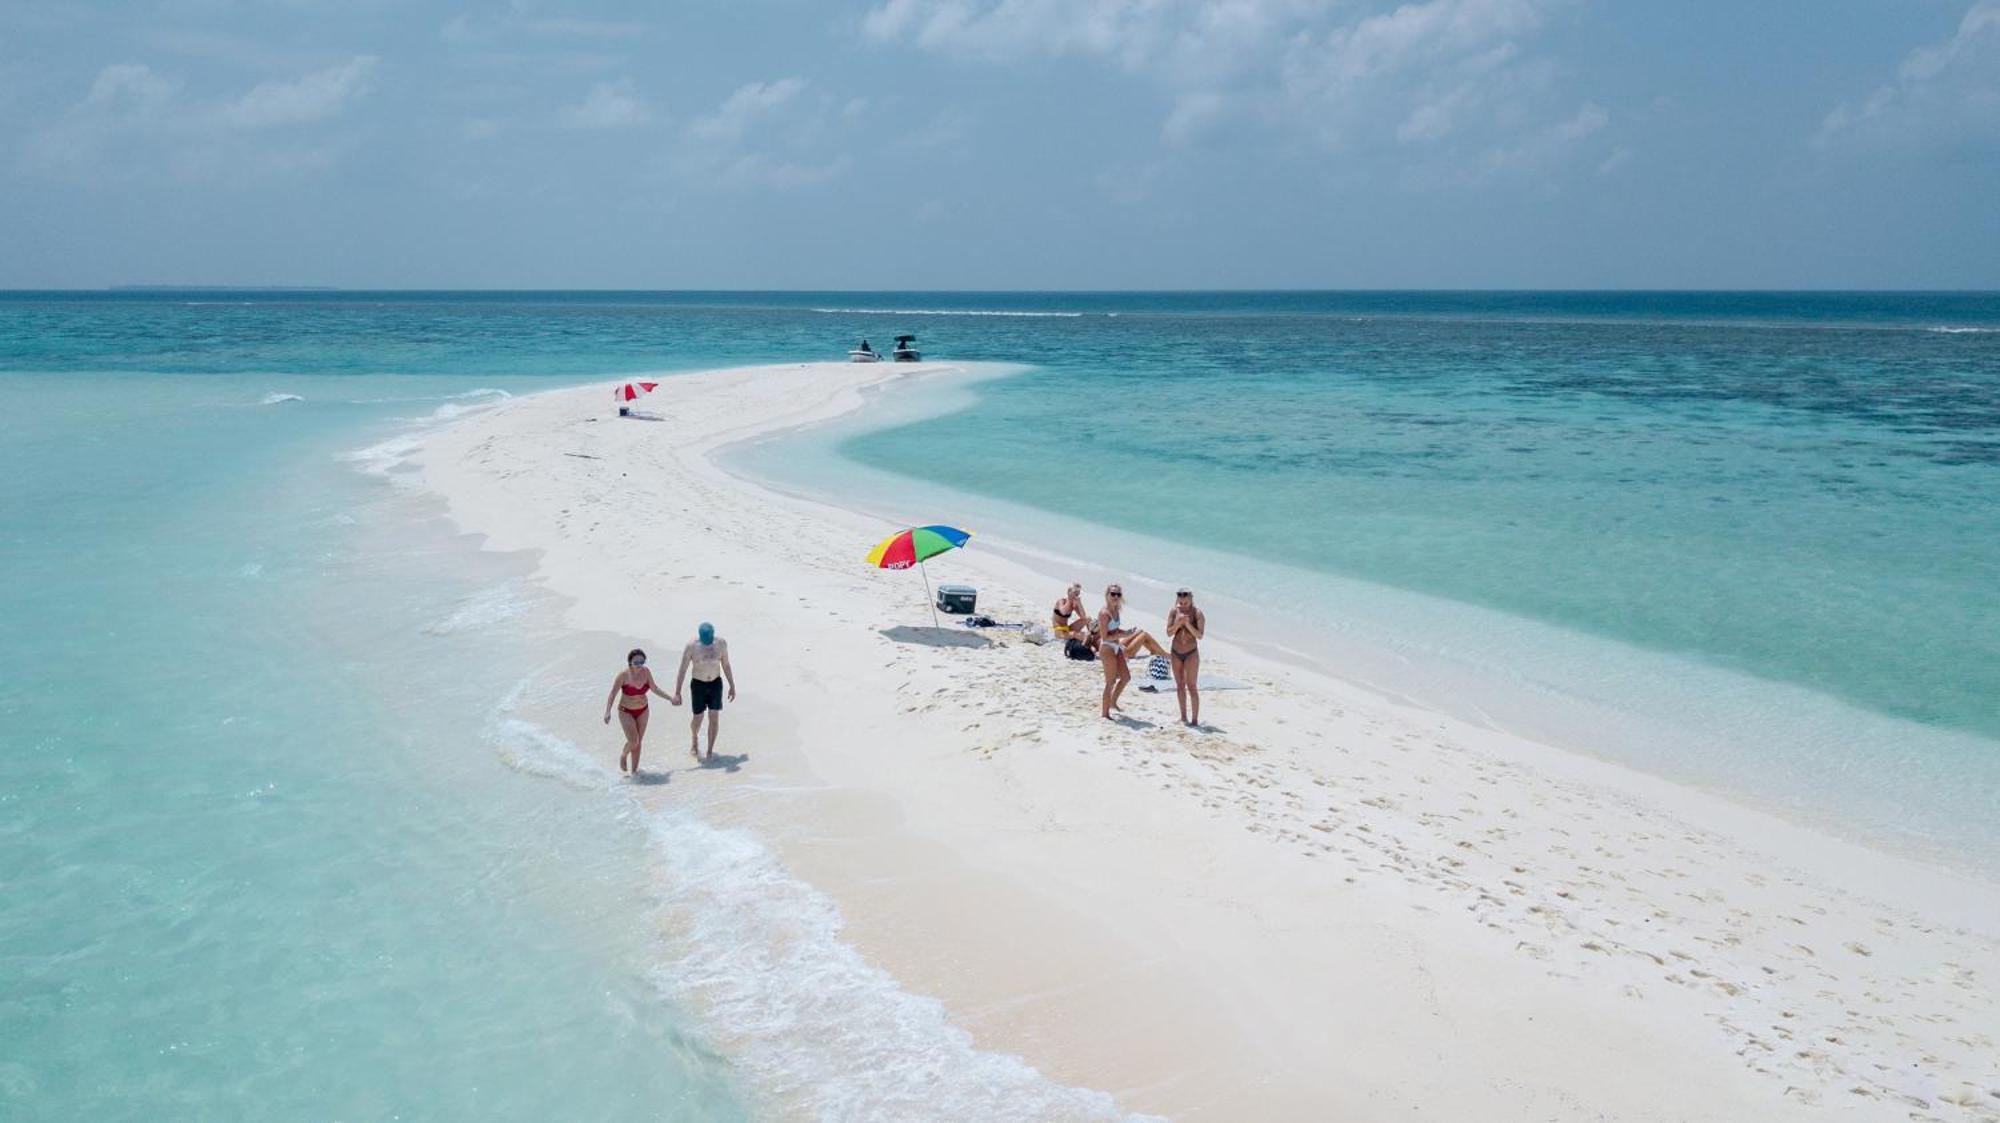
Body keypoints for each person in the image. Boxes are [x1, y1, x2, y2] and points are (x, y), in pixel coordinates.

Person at [1095, 584, 1168, 719]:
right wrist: (1122, 635)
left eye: (1118, 594)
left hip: (1117, 647)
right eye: (1113, 594)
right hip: (1107, 648)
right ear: (1107, 595)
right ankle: (1105, 714)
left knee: (1126, 677)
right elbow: (1105, 636)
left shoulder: (1116, 609)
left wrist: (1127, 632)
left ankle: (1113, 702)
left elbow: (1115, 631)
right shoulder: (1103, 613)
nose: (1116, 597)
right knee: (1110, 682)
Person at [672, 622, 736, 762]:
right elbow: (682, 669)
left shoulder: (721, 644)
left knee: (714, 717)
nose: (707, 642)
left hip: (715, 684)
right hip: (698, 685)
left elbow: (726, 665)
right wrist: (677, 692)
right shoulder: (691, 646)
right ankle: (694, 739)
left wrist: (732, 685)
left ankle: (709, 751)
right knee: (698, 718)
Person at [603, 648, 671, 775]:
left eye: (642, 662)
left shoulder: (646, 672)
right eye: (636, 662)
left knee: (639, 742)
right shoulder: (623, 675)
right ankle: (624, 755)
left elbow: (654, 688)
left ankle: (634, 773)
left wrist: (670, 698)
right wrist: (608, 711)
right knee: (633, 741)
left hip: (643, 710)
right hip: (626, 711)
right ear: (630, 662)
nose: (639, 665)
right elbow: (612, 693)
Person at [1165, 588, 1206, 726]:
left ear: (1191, 600)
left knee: (1192, 686)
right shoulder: (1173, 612)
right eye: (1181, 603)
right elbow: (1169, 633)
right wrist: (1178, 623)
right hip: (1176, 652)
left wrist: (1187, 623)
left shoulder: (1197, 613)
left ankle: (1194, 721)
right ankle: (1183, 717)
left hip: (1191, 653)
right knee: (1180, 685)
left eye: (1186, 603)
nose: (1183, 606)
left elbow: (1200, 635)